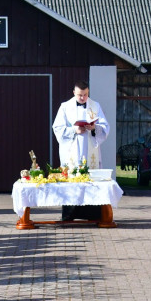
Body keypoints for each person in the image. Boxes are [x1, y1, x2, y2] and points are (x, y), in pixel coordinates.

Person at [52, 80, 109, 220]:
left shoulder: (95, 106)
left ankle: (92, 215)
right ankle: (69, 214)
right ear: (74, 93)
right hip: (73, 150)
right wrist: (74, 130)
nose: (83, 98)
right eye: (79, 95)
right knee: (72, 179)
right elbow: (57, 128)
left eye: (85, 94)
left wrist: (94, 128)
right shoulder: (65, 107)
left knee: (91, 180)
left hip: (90, 150)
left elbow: (105, 127)